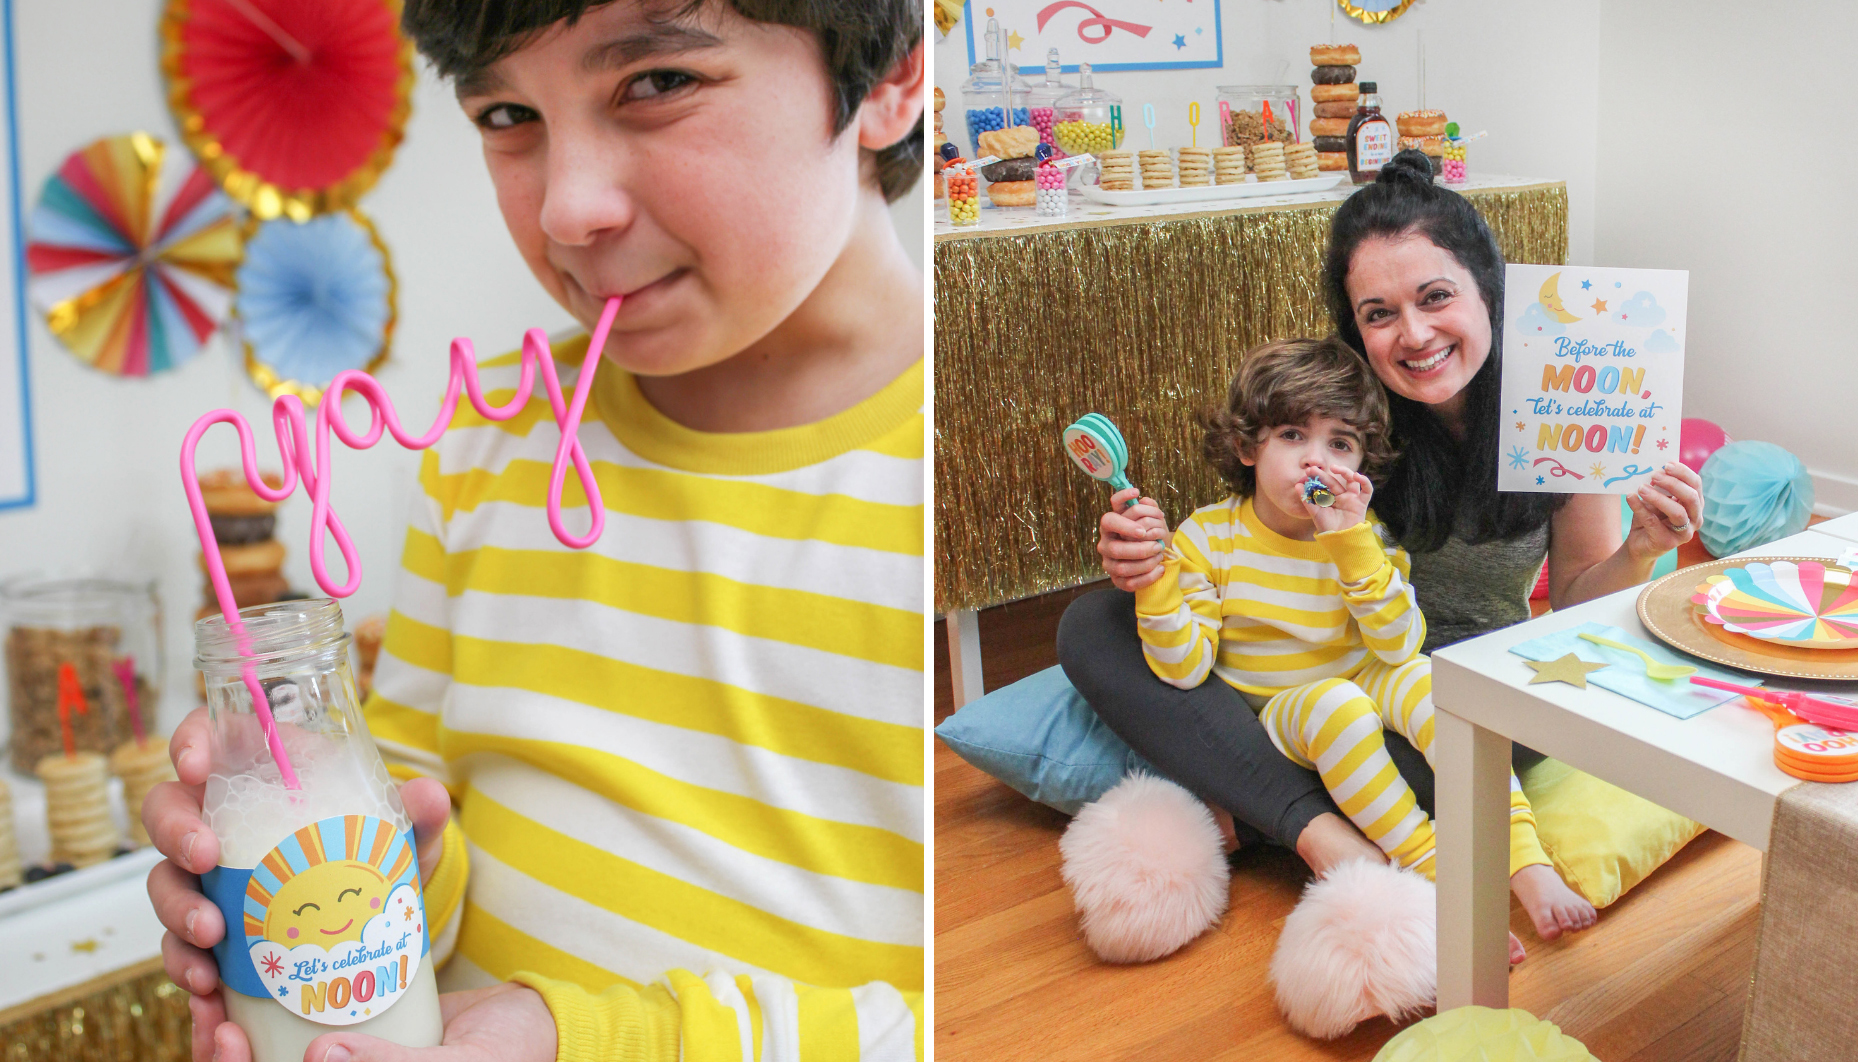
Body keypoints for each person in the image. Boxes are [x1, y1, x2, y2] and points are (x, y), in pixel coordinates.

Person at [144, 2, 926, 1060]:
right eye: (509, 112)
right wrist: (340, 872)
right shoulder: (486, 441)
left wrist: (589, 1038)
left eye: (655, 82)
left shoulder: (940, 479)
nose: (567, 209)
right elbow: (429, 809)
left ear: (892, 80)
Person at [1059, 150, 1701, 951]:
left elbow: (1574, 606)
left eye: (1436, 297)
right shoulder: (1344, 423)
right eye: (1379, 313)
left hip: (1455, 695)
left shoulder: (1561, 405)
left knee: (1459, 736)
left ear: (1488, 291)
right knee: (1093, 626)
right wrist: (1147, 562)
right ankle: (1318, 832)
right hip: (1319, 684)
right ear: (1354, 326)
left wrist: (1641, 549)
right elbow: (1244, 556)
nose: (1415, 334)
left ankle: (1264, 806)